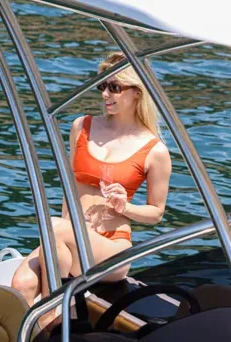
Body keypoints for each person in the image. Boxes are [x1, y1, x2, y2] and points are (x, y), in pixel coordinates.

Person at [11, 52, 172, 305]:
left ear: (137, 92)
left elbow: (156, 213)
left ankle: (52, 313)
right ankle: (55, 317)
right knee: (22, 284)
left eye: (114, 87)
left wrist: (126, 207)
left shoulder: (155, 150)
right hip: (69, 235)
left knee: (54, 227)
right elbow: (69, 188)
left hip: (112, 248)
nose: (105, 94)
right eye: (102, 86)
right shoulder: (82, 127)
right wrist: (68, 233)